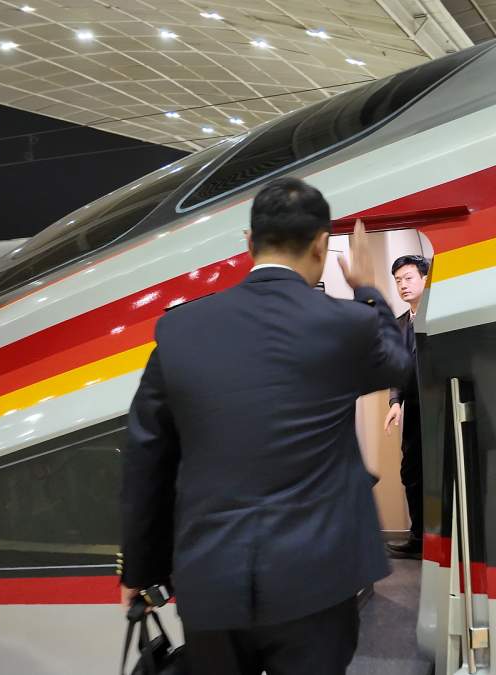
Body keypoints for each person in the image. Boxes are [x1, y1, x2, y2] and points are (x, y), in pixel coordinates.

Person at [119, 177, 414, 675]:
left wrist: (141, 571)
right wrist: (368, 290)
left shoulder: (179, 329)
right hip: (318, 580)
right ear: (321, 246)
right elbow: (399, 365)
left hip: (210, 578)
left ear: (249, 243)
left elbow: (147, 458)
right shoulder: (347, 324)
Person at [384, 255, 429, 558]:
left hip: (442, 406)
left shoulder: (440, 316)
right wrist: (395, 402)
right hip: (413, 410)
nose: (403, 285)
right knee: (411, 472)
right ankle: (419, 539)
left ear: (425, 279)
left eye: (409, 278)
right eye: (398, 280)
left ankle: (446, 541)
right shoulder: (400, 324)